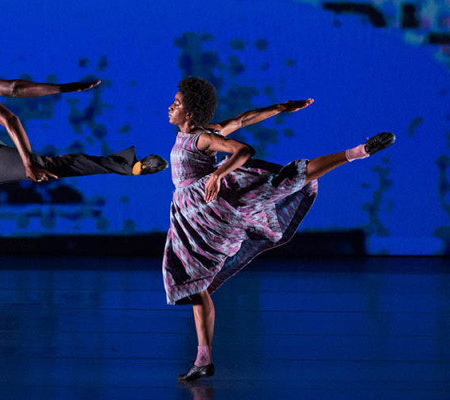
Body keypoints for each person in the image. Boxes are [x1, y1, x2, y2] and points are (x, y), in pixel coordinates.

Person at [0, 27, 167, 348]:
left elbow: (9, 119)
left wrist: (27, 161)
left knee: (47, 165)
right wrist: (63, 88)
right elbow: (13, 88)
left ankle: (127, 164)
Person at [162, 77, 395, 381]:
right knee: (197, 287)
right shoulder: (202, 133)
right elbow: (243, 119)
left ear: (190, 114)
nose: (171, 107)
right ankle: (203, 359)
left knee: (288, 178)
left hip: (208, 211)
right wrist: (279, 108)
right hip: (190, 219)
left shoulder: (203, 138)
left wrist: (219, 174)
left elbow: (244, 150)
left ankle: (357, 152)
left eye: (177, 104)